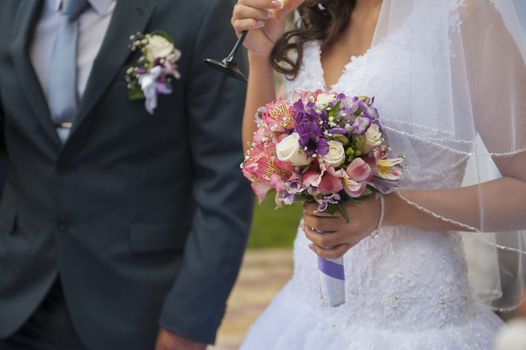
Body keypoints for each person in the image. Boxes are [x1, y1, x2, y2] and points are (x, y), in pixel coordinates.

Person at [232, 0, 526, 348]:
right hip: (308, 311)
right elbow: (263, 166)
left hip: (413, 320)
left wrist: (388, 209)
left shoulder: (462, 14)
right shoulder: (316, 16)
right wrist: (260, 58)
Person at [0, 0, 253, 349]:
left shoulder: (205, 10)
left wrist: (190, 320)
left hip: (137, 308)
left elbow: (225, 176)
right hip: (15, 302)